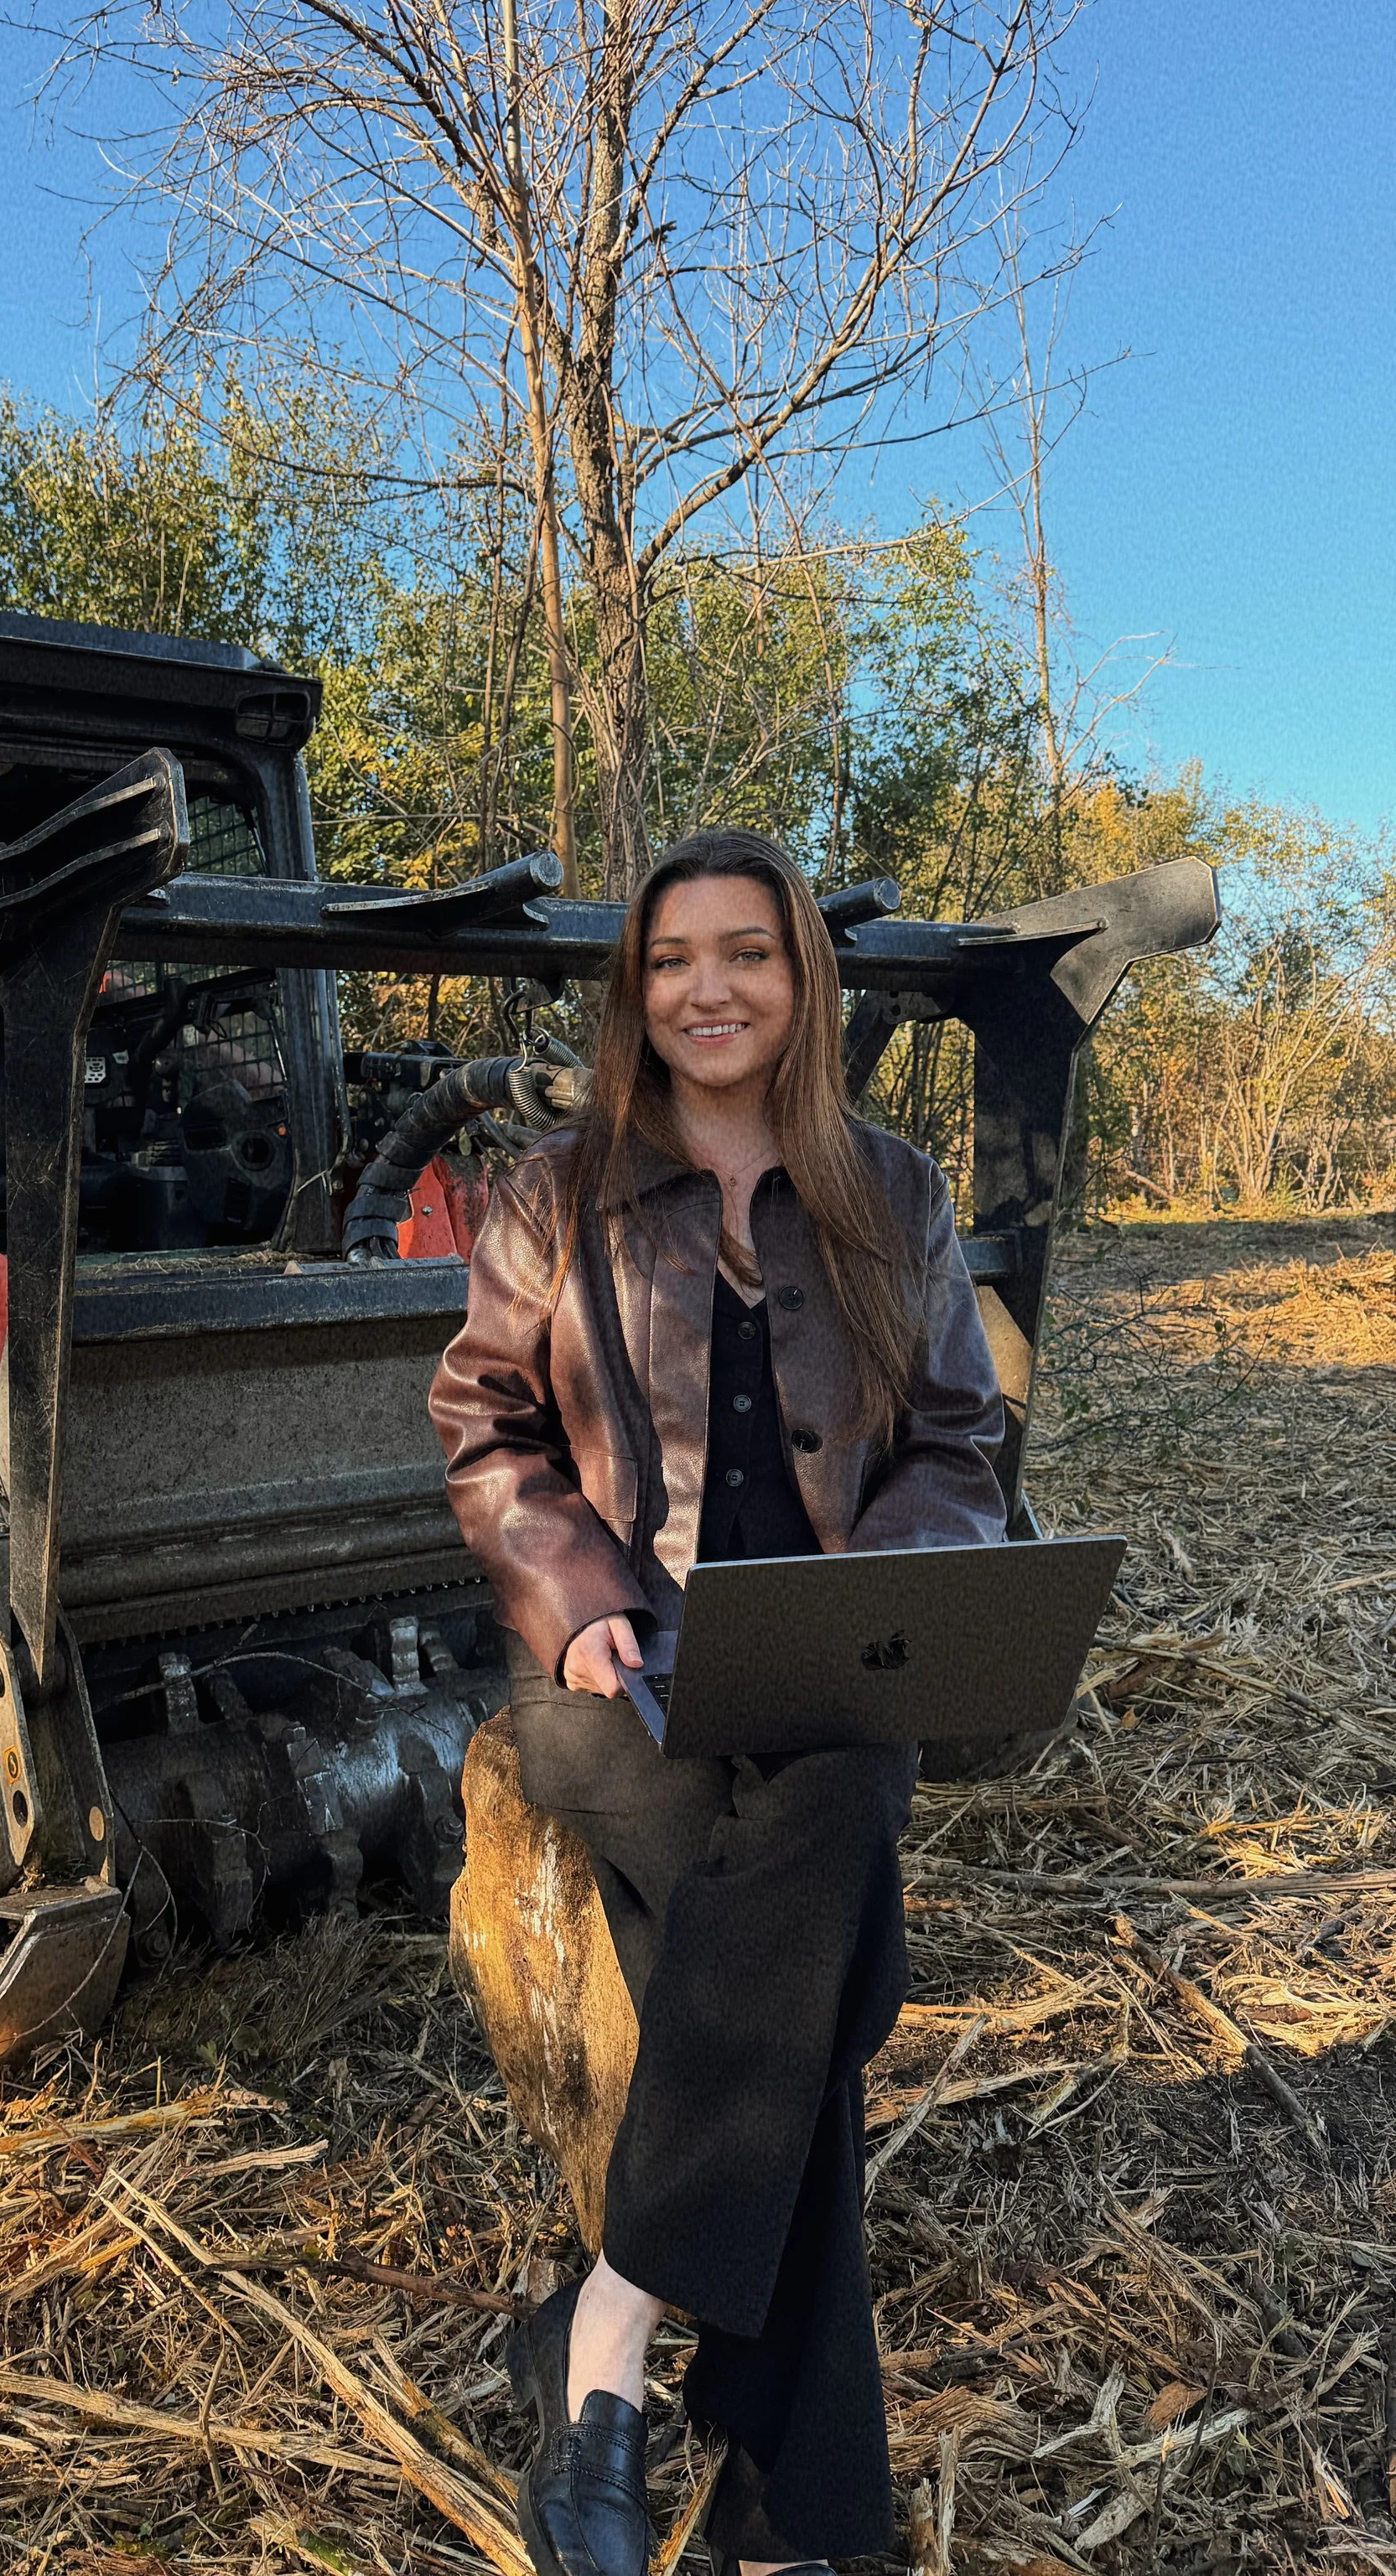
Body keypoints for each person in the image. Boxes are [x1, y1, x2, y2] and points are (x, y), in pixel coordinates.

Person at [428, 828, 1005, 2576]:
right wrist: (579, 1593)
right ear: (635, 989)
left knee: (818, 1838)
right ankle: (794, 2528)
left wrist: (876, 1595)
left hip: (831, 1674)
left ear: (797, 980)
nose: (706, 988)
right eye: (671, 958)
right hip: (622, 1679)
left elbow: (963, 1437)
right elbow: (483, 1425)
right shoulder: (550, 1194)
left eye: (743, 952)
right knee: (822, 1986)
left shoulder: (889, 1190)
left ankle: (605, 2330)